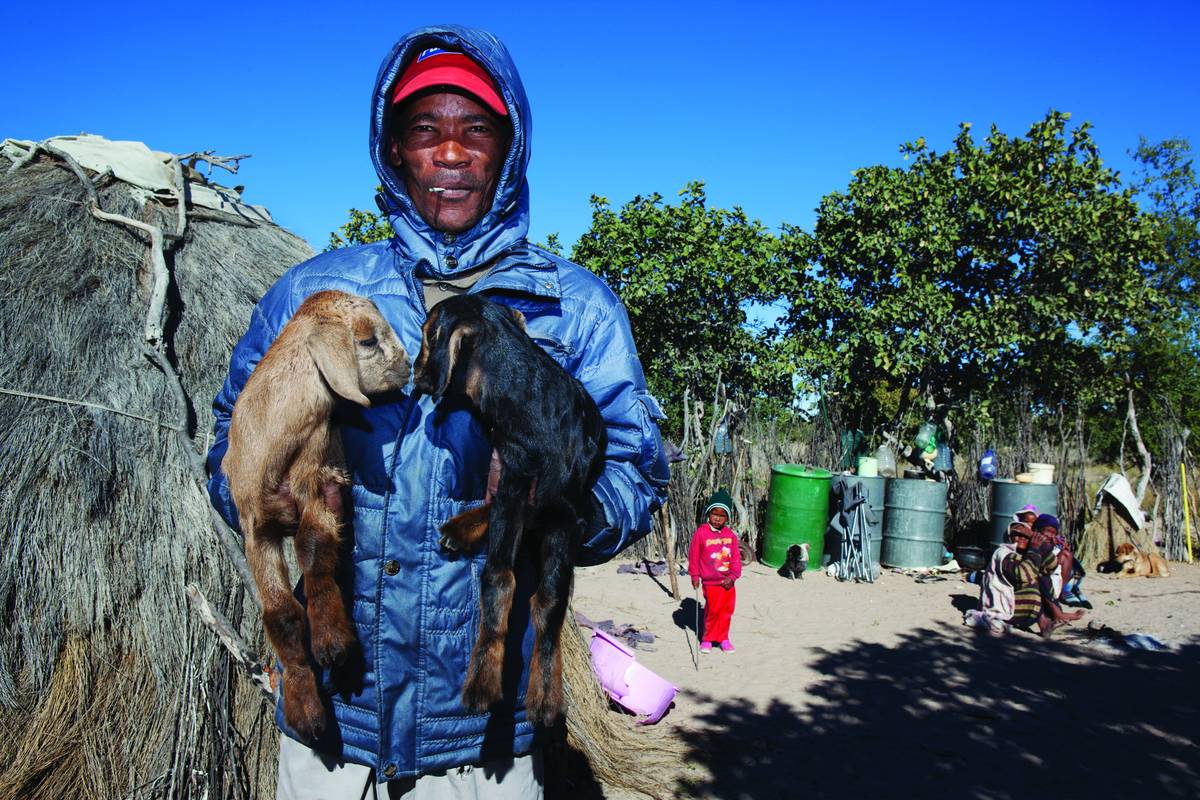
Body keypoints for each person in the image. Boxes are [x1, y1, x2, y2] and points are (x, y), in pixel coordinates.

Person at [205, 25, 669, 799]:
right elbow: (229, 438)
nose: (450, 153)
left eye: (475, 131)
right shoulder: (315, 297)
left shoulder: (575, 309)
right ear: (392, 150)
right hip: (334, 732)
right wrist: (264, 498)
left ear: (509, 148)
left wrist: (556, 508)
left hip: (481, 744)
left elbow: (633, 472)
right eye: (425, 131)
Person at [688, 489, 742, 653]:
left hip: (728, 583)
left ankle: (723, 638)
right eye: (714, 513)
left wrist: (733, 576)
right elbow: (694, 555)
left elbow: (735, 559)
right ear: (708, 513)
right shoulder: (701, 533)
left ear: (727, 517)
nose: (717, 518)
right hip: (711, 582)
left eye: (722, 515)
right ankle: (708, 639)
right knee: (712, 611)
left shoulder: (730, 536)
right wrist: (694, 575)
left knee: (726, 611)